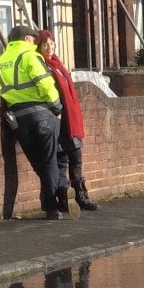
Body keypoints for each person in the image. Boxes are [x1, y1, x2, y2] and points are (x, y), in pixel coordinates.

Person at [0, 25, 79, 220]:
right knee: (49, 161)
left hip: (18, 121)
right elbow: (45, 83)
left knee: (38, 163)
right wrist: (57, 107)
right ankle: (55, 203)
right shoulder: (30, 57)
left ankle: (57, 198)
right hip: (43, 116)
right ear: (27, 39)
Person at [35, 30, 99, 211]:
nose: (49, 48)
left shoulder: (58, 65)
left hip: (70, 119)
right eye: (45, 45)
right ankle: (64, 199)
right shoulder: (42, 66)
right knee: (61, 162)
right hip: (57, 119)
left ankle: (80, 196)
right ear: (38, 47)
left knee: (76, 158)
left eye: (52, 44)